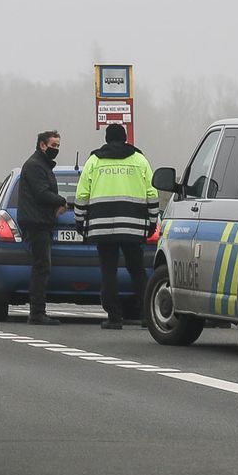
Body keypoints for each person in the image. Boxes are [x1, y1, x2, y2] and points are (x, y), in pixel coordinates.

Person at [74, 123, 160, 329]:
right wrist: (152, 221)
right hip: (133, 225)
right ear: (125, 138)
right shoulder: (140, 160)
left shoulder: (94, 161)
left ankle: (114, 318)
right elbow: (152, 193)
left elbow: (82, 195)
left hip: (102, 226)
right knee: (137, 270)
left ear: (106, 138)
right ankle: (148, 316)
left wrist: (80, 221)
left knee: (108, 271)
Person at [15, 128, 69, 325]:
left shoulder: (41, 165)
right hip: (36, 222)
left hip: (40, 221)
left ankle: (38, 310)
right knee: (41, 267)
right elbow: (41, 193)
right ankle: (37, 312)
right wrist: (62, 201)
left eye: (58, 146)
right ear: (42, 145)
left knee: (42, 266)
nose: (56, 149)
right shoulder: (36, 166)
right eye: (53, 145)